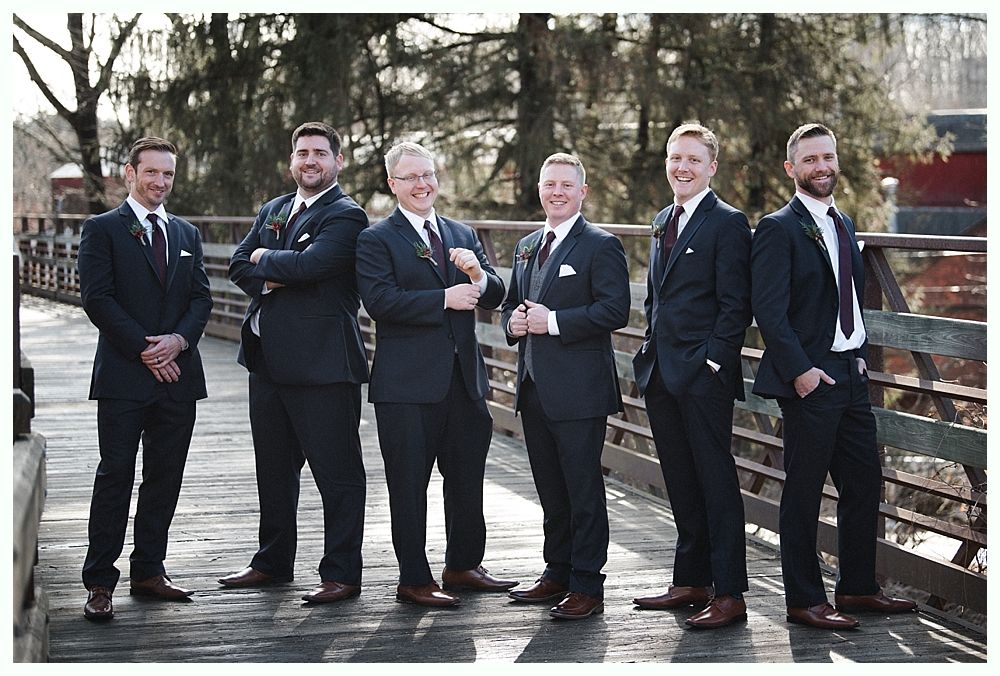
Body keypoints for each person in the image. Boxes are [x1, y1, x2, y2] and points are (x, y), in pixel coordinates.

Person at [751, 123, 917, 629]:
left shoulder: (843, 221)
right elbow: (769, 311)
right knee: (803, 490)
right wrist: (801, 371)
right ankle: (804, 599)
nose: (821, 167)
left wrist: (861, 353)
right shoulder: (778, 228)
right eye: (810, 160)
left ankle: (858, 589)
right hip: (813, 379)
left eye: (827, 157)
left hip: (852, 374)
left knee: (864, 484)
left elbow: (848, 295)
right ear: (792, 168)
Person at [355, 141, 516, 607]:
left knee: (466, 478)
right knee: (408, 485)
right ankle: (414, 578)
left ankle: (464, 565)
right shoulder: (376, 238)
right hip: (405, 385)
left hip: (465, 380)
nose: (422, 184)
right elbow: (380, 302)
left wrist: (480, 279)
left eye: (427, 175)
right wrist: (443, 298)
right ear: (393, 184)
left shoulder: (461, 232)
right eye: (410, 177)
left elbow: (496, 292)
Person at [222, 122, 369, 604]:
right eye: (303, 152)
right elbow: (239, 265)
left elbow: (314, 267)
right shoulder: (274, 209)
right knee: (273, 472)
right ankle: (272, 563)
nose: (311, 160)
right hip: (267, 364)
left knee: (338, 474)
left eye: (321, 153)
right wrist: (273, 268)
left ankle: (342, 573)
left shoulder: (346, 216)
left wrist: (271, 258)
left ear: (337, 162)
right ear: (292, 160)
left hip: (324, 366)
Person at [77, 136, 213, 620]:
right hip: (123, 375)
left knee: (165, 476)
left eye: (168, 174)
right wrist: (145, 349)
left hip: (179, 375)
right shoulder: (102, 229)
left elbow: (201, 298)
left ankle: (150, 570)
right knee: (115, 474)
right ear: (130, 174)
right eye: (151, 172)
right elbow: (97, 298)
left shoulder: (186, 234)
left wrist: (177, 342)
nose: (160, 182)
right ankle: (99, 581)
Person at [630, 123, 752, 629]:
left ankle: (730, 593)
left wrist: (713, 362)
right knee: (680, 478)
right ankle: (691, 580)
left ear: (711, 167)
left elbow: (735, 305)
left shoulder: (728, 222)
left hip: (704, 375)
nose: (682, 167)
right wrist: (648, 348)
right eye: (675, 158)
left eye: (693, 160)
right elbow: (658, 295)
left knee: (715, 482)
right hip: (661, 371)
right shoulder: (664, 218)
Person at [500, 153, 631, 620]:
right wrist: (513, 322)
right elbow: (512, 306)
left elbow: (615, 310)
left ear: (582, 192)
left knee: (582, 490)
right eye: (549, 184)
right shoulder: (528, 243)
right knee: (551, 490)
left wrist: (552, 321)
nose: (556, 192)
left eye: (565, 185)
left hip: (579, 390)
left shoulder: (601, 244)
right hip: (533, 387)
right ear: (540, 189)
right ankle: (555, 572)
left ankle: (587, 585)